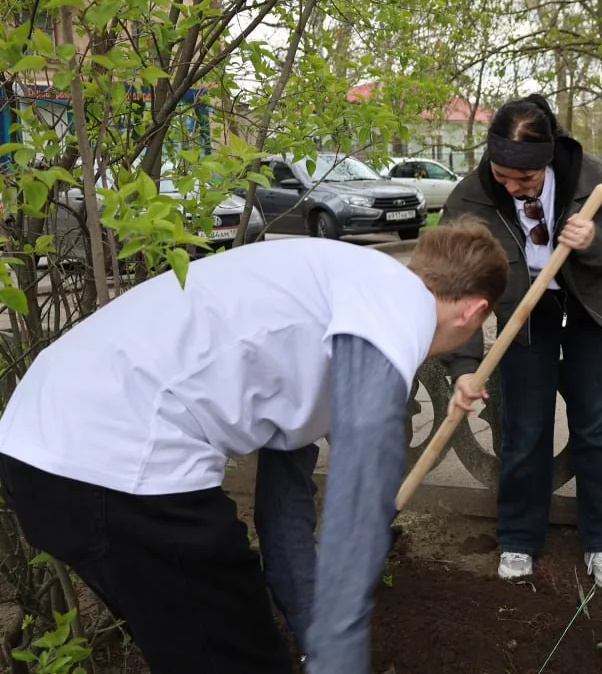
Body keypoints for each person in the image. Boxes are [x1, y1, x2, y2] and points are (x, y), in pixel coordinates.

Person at [0, 220, 508, 673]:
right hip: (117, 462)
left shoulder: (338, 300)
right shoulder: (394, 301)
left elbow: (284, 513)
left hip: (42, 454)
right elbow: (363, 475)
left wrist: (315, 637)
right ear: (475, 312)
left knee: (198, 648)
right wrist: (339, 651)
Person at [441, 93, 602, 589]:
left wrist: (595, 241)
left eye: (525, 180)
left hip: (590, 309)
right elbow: (451, 289)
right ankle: (517, 539)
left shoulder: (595, 179)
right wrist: (465, 365)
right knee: (524, 428)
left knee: (598, 426)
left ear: (548, 157)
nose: (512, 187)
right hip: (523, 317)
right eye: (503, 175)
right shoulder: (471, 199)